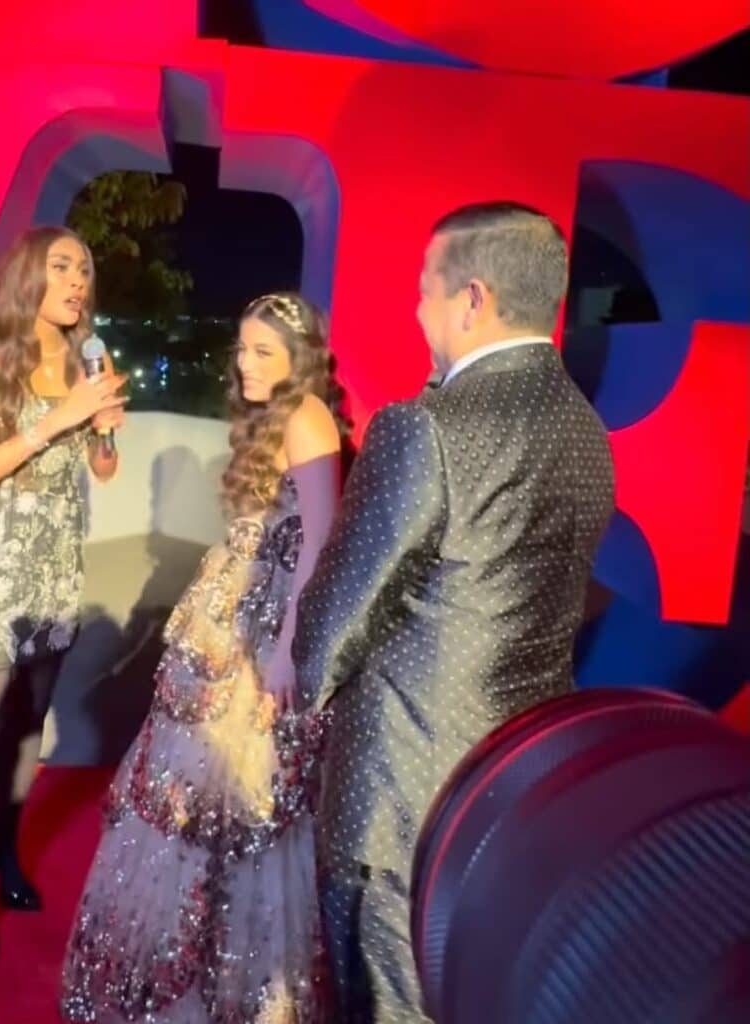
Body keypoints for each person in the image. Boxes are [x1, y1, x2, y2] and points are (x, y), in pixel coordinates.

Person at [293, 202, 616, 1022]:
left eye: (424, 290)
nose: (417, 311)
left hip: (401, 801)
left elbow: (333, 623)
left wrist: (304, 696)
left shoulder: (424, 427)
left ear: (472, 299)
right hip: (521, 789)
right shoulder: (587, 430)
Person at [60, 293, 344, 1022]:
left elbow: (319, 545)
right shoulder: (270, 416)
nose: (245, 363)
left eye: (263, 352)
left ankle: (234, 991)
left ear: (299, 358)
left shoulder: (307, 417)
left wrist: (288, 652)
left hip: (263, 637)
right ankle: (186, 981)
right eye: (242, 348)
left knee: (245, 802)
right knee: (190, 804)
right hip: (225, 620)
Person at [0, 226, 127, 965]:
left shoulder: (85, 359)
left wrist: (103, 432)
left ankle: (3, 850)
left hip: (51, 562)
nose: (78, 280)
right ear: (25, 275)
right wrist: (58, 420)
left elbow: (102, 469)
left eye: (85, 269)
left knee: (29, 725)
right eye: (62, 265)